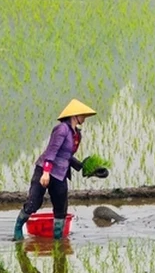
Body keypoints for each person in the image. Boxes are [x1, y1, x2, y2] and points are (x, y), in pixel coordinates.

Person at [14, 99, 96, 241]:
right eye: (83, 115)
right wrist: (46, 173)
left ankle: (57, 240)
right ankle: (18, 229)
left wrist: (86, 168)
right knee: (34, 203)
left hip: (60, 174)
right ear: (74, 115)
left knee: (61, 207)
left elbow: (67, 156)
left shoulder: (76, 134)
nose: (84, 118)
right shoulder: (62, 129)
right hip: (45, 171)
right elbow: (52, 151)